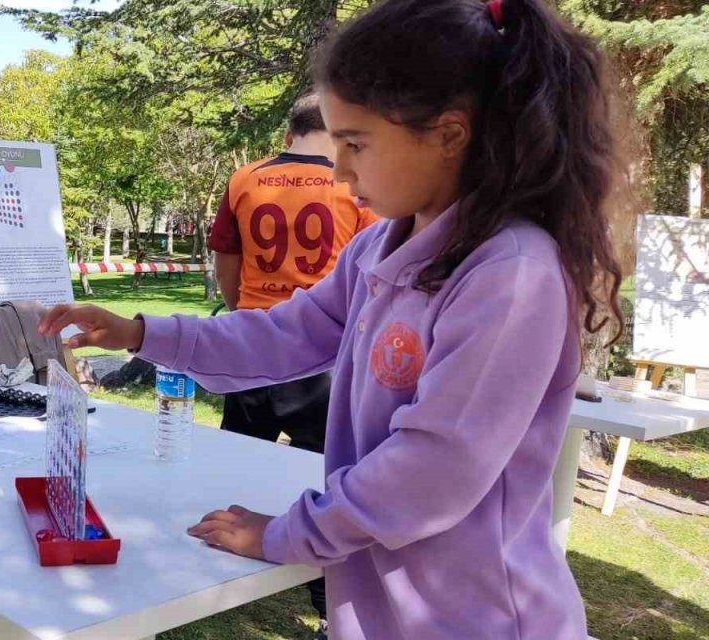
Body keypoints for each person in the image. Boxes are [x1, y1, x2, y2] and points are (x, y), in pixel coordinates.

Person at [39, 0, 626, 638]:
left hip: (477, 618)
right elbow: (280, 335)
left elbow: (430, 473)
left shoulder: (511, 274)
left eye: (356, 144)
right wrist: (141, 333)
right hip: (380, 612)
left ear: (450, 135)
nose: (341, 172)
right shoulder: (378, 248)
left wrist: (289, 533)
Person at [208, 92, 378, 637]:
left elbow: (226, 265)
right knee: (329, 480)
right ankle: (330, 599)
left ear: (288, 135)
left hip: (255, 345)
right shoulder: (358, 183)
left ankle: (210, 578)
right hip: (326, 354)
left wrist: (243, 318)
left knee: (236, 463)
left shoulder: (244, 179)